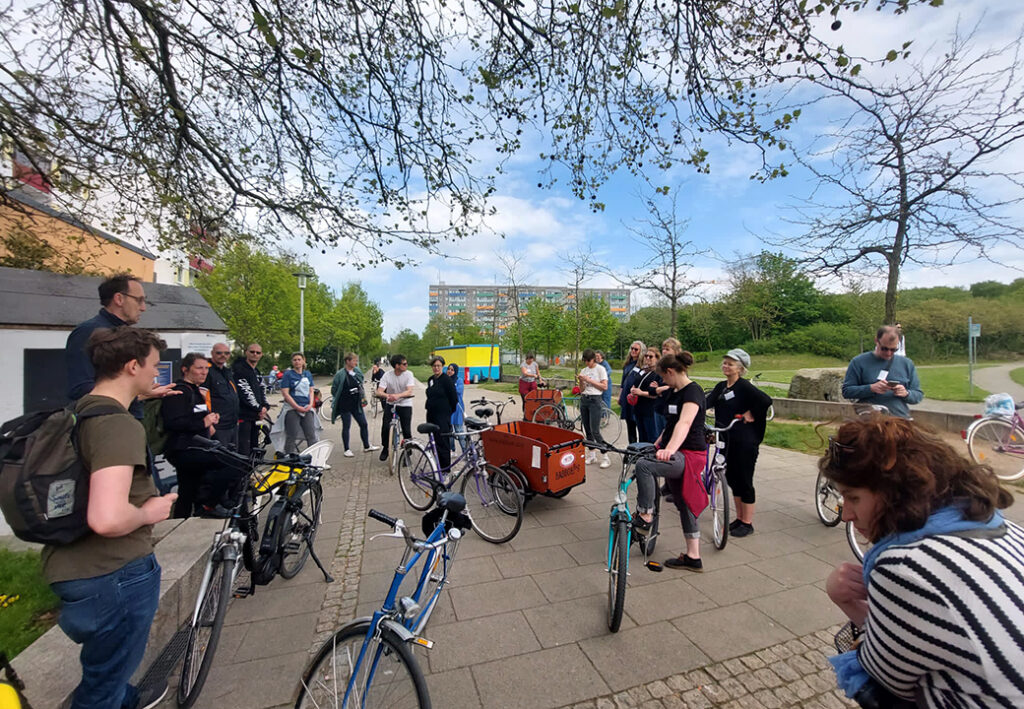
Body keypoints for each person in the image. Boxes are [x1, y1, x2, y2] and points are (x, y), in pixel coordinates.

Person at [821, 415, 1024, 707]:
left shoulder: (905, 566)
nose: (847, 515)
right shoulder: (1000, 527)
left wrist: (845, 600)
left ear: (895, 492)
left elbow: (886, 680)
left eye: (853, 498)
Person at [45, 326, 177, 709]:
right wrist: (150, 510)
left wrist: (144, 394)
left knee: (105, 675)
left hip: (72, 565)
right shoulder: (117, 425)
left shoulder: (79, 411)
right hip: (113, 574)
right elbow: (106, 517)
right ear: (132, 365)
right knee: (102, 691)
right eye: (154, 366)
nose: (158, 373)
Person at [632, 352, 708, 572]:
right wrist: (657, 445)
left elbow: (684, 423)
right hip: (676, 450)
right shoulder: (675, 392)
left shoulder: (693, 392)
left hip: (689, 454)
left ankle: (645, 514)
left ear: (671, 372)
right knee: (683, 503)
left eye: (664, 378)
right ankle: (693, 557)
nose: (664, 382)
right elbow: (671, 425)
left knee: (644, 466)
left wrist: (669, 450)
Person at [65, 273, 176, 412]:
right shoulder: (87, 332)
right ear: (119, 299)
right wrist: (135, 394)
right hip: (108, 421)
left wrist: (140, 393)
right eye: (139, 300)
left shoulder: (124, 332)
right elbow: (80, 388)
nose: (143, 308)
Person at [162, 353, 243, 518]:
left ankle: (182, 520)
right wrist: (203, 423)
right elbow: (173, 423)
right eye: (199, 368)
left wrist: (210, 422)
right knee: (234, 463)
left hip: (194, 446)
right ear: (185, 369)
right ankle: (209, 506)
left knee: (188, 490)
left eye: (206, 368)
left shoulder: (195, 391)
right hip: (183, 448)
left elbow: (196, 416)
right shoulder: (179, 392)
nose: (204, 372)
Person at [704, 349, 773, 538]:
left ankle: (747, 522)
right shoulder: (721, 387)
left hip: (745, 441)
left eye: (730, 364)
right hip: (727, 439)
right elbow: (706, 402)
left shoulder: (744, 387)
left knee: (744, 480)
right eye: (724, 363)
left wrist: (751, 412)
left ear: (740, 368)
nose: (726, 366)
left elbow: (766, 400)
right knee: (733, 479)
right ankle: (739, 518)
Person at [841, 325, 923, 418]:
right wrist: (871, 388)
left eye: (893, 350)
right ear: (876, 341)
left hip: (899, 418)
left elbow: (918, 395)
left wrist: (906, 393)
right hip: (868, 420)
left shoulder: (907, 364)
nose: (888, 353)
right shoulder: (858, 362)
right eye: (884, 348)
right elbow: (847, 391)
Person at [331, 353, 379, 457]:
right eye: (354, 360)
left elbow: (361, 379)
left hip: (356, 403)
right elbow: (334, 389)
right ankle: (346, 449)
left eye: (356, 360)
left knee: (363, 424)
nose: (356, 362)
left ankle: (367, 446)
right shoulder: (340, 374)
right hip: (345, 404)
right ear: (348, 361)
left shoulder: (356, 371)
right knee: (346, 426)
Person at [232, 343, 269, 456]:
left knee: (254, 448)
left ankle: (251, 472)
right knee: (243, 450)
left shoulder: (256, 371)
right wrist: (259, 408)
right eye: (252, 352)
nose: (255, 354)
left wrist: (265, 406)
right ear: (246, 353)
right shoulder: (239, 370)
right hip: (243, 416)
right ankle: (243, 473)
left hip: (255, 417)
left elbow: (262, 389)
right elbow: (245, 393)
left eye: (258, 352)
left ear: (261, 355)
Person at [377, 354, 415, 462]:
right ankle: (386, 447)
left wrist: (397, 396)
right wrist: (388, 396)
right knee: (385, 426)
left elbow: (409, 390)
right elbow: (379, 391)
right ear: (397, 366)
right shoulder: (387, 375)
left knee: (406, 429)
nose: (406, 365)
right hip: (391, 404)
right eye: (404, 364)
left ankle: (408, 452)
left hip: (405, 403)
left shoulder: (409, 374)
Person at [578, 348, 611, 469]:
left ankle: (605, 455)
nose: (587, 363)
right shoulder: (584, 370)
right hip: (585, 399)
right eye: (585, 361)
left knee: (595, 430)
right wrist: (581, 381)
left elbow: (604, 386)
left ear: (593, 359)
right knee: (587, 429)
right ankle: (592, 454)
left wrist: (589, 380)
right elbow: (581, 389)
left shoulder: (600, 369)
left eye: (588, 361)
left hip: (595, 400)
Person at [203, 343, 240, 449]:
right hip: (218, 426)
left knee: (233, 459)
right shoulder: (207, 372)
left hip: (232, 425)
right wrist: (209, 424)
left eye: (226, 353)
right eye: (219, 353)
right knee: (220, 459)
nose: (223, 355)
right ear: (212, 353)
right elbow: (202, 398)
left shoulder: (227, 372)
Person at [280, 352, 318, 453]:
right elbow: (285, 393)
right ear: (292, 362)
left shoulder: (307, 374)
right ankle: (289, 459)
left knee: (311, 434)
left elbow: (311, 390)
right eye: (295, 360)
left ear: (303, 361)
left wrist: (310, 404)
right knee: (291, 435)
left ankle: (314, 458)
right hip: (292, 409)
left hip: (306, 408)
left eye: (299, 359)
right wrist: (296, 406)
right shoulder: (288, 375)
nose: (297, 362)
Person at [425, 355, 459, 471]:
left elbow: (454, 399)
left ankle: (445, 470)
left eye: (438, 366)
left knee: (443, 443)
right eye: (434, 366)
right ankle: (437, 466)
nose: (436, 368)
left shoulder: (446, 380)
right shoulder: (430, 379)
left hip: (443, 416)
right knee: (434, 442)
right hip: (431, 414)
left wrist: (448, 412)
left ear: (442, 366)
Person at [629, 348, 662, 443]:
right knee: (642, 436)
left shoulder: (658, 374)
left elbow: (656, 393)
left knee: (651, 437)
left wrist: (641, 393)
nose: (647, 358)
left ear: (657, 359)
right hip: (638, 408)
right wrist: (633, 389)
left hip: (649, 410)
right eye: (646, 356)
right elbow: (635, 383)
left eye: (651, 356)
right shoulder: (642, 371)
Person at [618, 340, 645, 444]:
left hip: (637, 399)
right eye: (632, 349)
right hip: (627, 398)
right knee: (630, 426)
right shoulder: (628, 365)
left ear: (641, 351)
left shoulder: (643, 366)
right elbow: (622, 382)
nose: (633, 351)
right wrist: (620, 396)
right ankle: (632, 447)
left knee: (640, 426)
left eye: (636, 349)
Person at [448, 363, 466, 452]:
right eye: (449, 369)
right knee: (449, 431)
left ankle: (465, 450)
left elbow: (458, 391)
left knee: (459, 431)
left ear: (455, 371)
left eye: (452, 370)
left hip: (457, 408)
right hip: (448, 408)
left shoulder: (459, 380)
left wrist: (449, 387)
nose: (450, 371)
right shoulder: (445, 380)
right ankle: (452, 450)